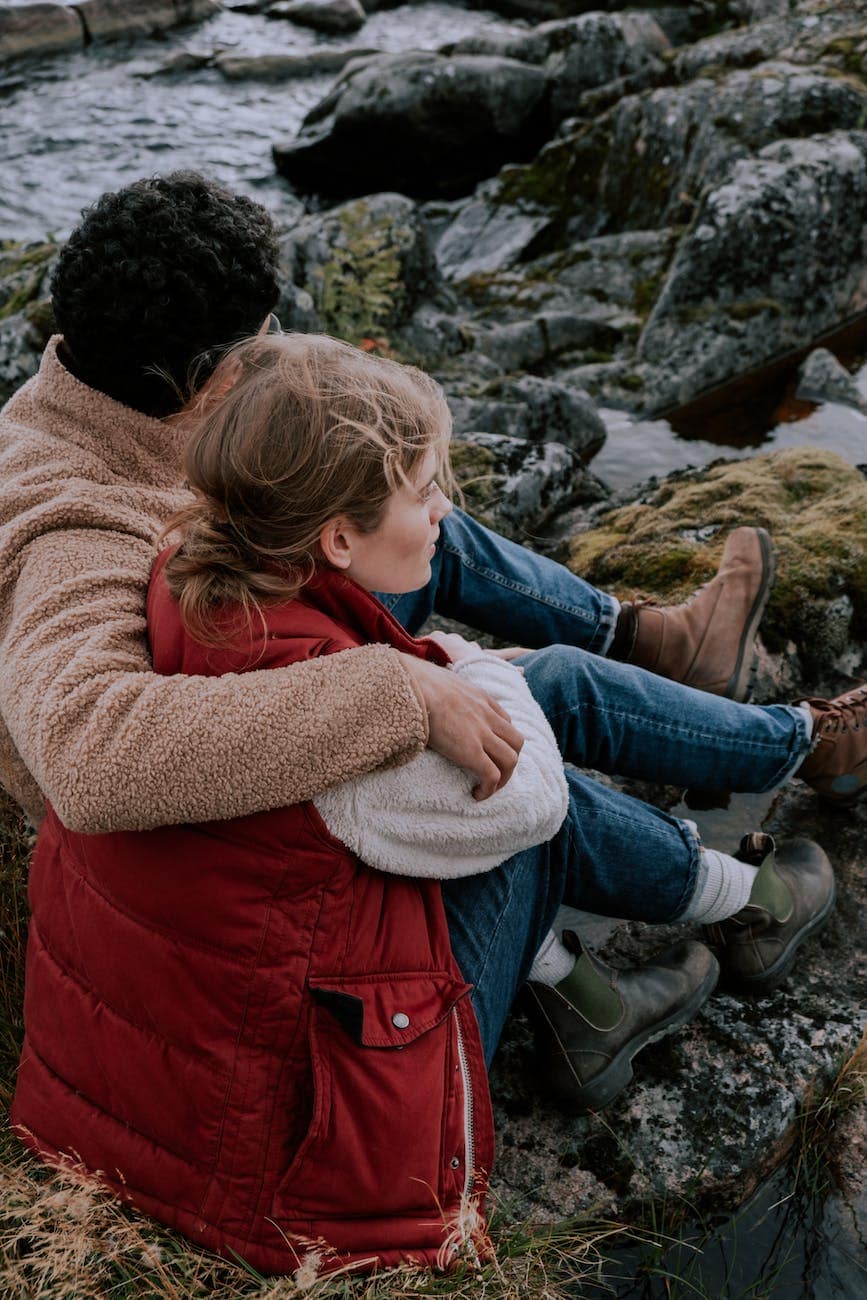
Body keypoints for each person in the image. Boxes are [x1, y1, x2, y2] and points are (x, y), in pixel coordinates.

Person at [12, 333, 841, 1275]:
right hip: (308, 1160)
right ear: (334, 537)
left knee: (522, 708)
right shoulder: (323, 703)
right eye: (421, 493)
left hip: (141, 1096)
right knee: (526, 779)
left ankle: (590, 998)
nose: (444, 510)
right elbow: (526, 801)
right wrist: (456, 674)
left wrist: (444, 677)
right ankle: (749, 896)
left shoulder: (190, 567)